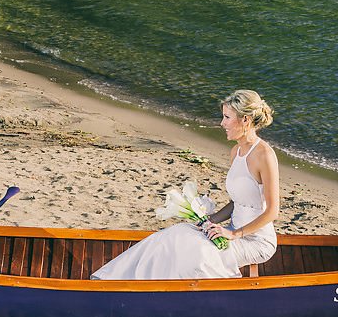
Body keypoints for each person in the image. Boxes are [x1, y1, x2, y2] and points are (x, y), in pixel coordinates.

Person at [91, 90, 279, 280]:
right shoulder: (235, 151)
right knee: (176, 233)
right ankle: (116, 279)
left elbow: (272, 211)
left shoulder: (264, 155)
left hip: (255, 240)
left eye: (227, 117)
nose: (222, 123)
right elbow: (237, 202)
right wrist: (210, 220)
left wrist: (235, 234)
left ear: (245, 120)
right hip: (230, 231)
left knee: (195, 251)